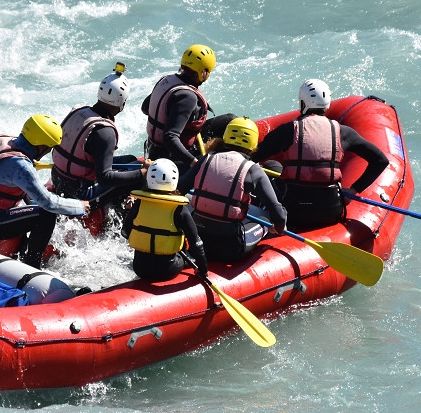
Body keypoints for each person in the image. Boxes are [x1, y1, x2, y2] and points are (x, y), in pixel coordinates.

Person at [254, 79, 389, 230]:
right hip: (330, 211)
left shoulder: (288, 130)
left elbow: (252, 159)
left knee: (271, 167)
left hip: (294, 212)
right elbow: (380, 160)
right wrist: (354, 189)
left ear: (303, 103)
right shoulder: (344, 132)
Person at [0, 113, 89, 268]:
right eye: (48, 149)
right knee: (46, 214)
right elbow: (48, 203)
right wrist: (79, 206)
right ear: (41, 146)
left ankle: (24, 246)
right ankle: (32, 264)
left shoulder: (1, 139)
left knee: (35, 206)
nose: (47, 153)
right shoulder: (20, 165)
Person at [177, 116, 288, 263]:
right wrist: (280, 226)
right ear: (253, 146)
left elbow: (179, 191)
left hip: (197, 241)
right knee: (265, 218)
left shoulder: (206, 159)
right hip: (231, 248)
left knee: (193, 202)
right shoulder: (253, 170)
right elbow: (277, 211)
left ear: (226, 137)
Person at [51, 63, 146, 215]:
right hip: (79, 194)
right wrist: (142, 173)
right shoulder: (105, 132)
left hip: (59, 179)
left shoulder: (80, 111)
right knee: (137, 178)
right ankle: (120, 224)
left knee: (131, 159)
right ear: (122, 102)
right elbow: (105, 178)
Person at [141, 43, 234, 175]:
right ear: (203, 72)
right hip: (171, 157)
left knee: (229, 120)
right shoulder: (187, 97)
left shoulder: (167, 80)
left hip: (154, 147)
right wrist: (194, 163)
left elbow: (145, 108)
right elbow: (170, 137)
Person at [122, 159, 207, 281]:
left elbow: (126, 232)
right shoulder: (179, 209)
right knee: (184, 247)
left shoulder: (139, 203)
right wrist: (203, 269)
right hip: (168, 270)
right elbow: (196, 244)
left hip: (140, 268)